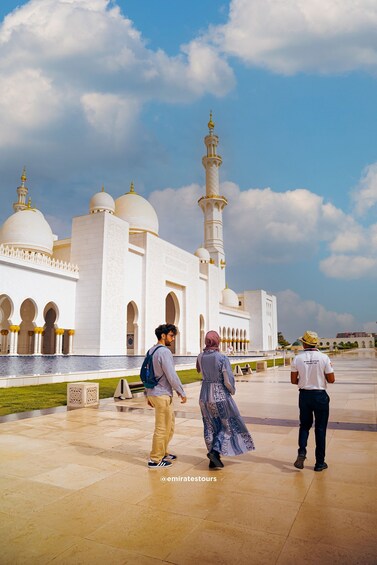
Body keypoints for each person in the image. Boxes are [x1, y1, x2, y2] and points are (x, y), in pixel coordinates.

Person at [196, 330, 255, 469]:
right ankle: (215, 452)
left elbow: (199, 371)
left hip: (204, 396)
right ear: (217, 341)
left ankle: (212, 458)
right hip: (219, 396)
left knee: (209, 426)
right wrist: (232, 390)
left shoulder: (200, 356)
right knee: (228, 425)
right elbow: (228, 379)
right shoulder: (222, 358)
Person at [291, 330, 335, 472]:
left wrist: (305, 379)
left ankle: (302, 452)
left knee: (304, 426)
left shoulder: (297, 358)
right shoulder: (324, 357)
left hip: (304, 396)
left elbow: (293, 380)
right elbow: (331, 379)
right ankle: (319, 463)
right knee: (320, 429)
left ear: (304, 343)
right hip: (320, 396)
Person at [146, 323, 187, 469]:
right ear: (163, 336)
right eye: (171, 335)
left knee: (169, 425)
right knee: (162, 427)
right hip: (161, 394)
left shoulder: (151, 350)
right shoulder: (164, 352)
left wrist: (148, 394)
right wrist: (181, 391)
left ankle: (163, 452)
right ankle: (155, 460)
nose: (173, 338)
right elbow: (171, 375)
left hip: (156, 394)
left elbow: (147, 373)